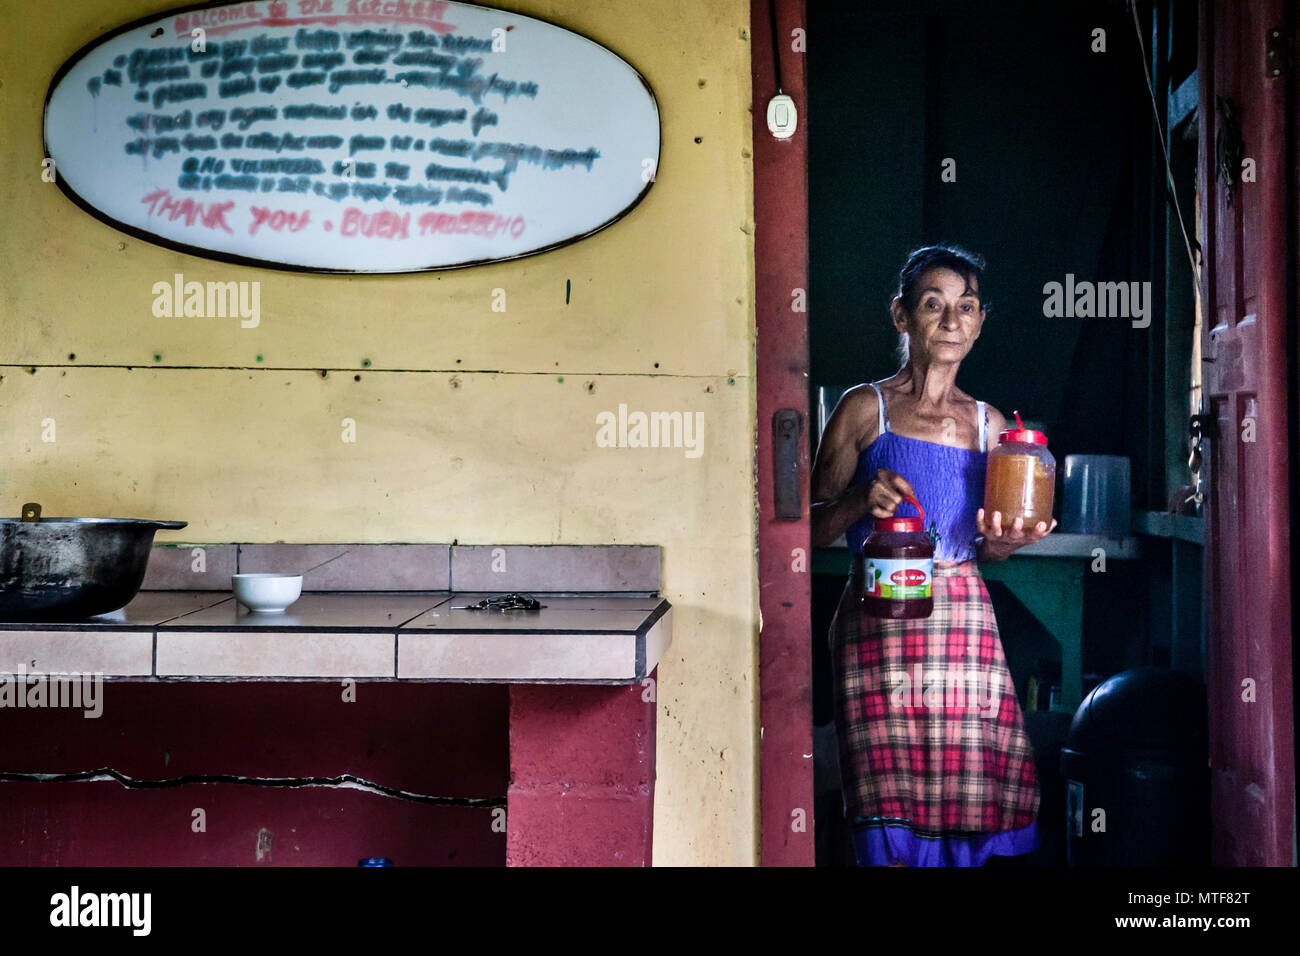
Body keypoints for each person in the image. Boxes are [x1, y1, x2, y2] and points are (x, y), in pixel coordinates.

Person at [811, 244, 1056, 866]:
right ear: (901, 316)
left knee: (969, 783)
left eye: (966, 307)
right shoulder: (865, 410)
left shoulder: (990, 427)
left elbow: (992, 550)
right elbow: (804, 532)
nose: (952, 321)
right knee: (884, 788)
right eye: (933, 304)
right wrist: (862, 501)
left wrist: (1004, 542)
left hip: (962, 623)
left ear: (979, 321)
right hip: (878, 621)